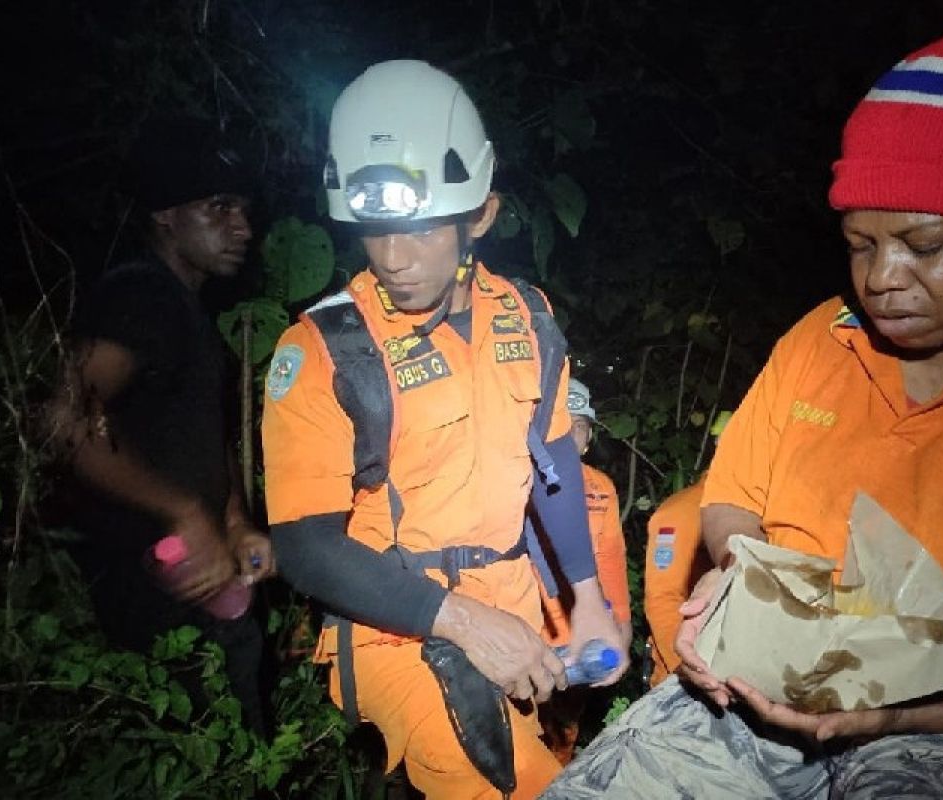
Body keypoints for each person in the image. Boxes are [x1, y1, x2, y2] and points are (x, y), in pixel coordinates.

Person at [543, 25, 943, 799]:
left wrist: (894, 714)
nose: (882, 279)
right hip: (770, 687)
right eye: (860, 243)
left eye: (923, 243)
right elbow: (734, 498)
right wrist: (743, 581)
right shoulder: (824, 340)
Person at [260, 60, 628, 799]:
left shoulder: (527, 315)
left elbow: (554, 457)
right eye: (375, 231)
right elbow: (302, 547)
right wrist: (462, 623)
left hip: (519, 602)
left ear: (479, 217)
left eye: (420, 228)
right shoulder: (327, 350)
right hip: (400, 625)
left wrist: (586, 597)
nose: (394, 258)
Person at [50, 116, 276, 735]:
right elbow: (65, 425)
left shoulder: (187, 309)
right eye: (219, 208)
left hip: (200, 577)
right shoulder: (140, 298)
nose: (243, 229)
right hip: (149, 583)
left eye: (244, 210)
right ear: (166, 215)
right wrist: (183, 513)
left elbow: (202, 432)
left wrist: (230, 518)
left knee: (238, 738)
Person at [536, 378, 633, 764]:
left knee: (564, 728)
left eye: (580, 425)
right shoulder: (519, 478)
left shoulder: (600, 488)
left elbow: (610, 555)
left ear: (589, 438)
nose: (571, 432)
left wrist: (622, 624)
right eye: (563, 422)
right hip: (529, 631)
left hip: (581, 635)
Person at [641, 410, 727, 687]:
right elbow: (663, 598)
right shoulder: (683, 511)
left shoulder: (760, 512)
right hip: (683, 678)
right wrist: (688, 670)